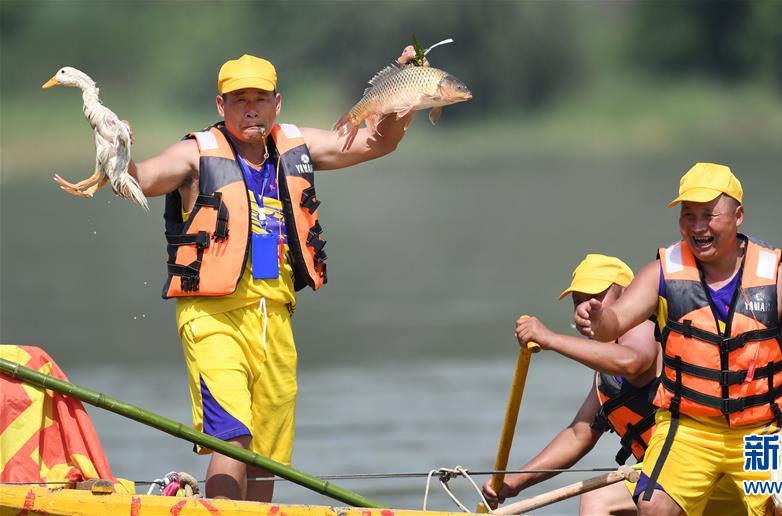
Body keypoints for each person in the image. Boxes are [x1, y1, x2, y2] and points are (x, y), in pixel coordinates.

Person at [125, 49, 424, 501]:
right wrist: (117, 150)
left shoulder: (295, 145)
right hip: (214, 317)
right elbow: (141, 178)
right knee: (232, 437)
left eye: (260, 99)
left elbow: (376, 143)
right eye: (239, 99)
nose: (251, 109)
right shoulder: (196, 154)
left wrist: (404, 94)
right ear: (221, 105)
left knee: (267, 456)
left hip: (275, 319)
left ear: (277, 103)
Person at [574, 163, 782, 515]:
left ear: (738, 216)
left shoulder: (777, 278)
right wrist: (598, 320)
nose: (697, 227)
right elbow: (614, 322)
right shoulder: (661, 273)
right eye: (688, 215)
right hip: (688, 431)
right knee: (653, 505)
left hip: (765, 431)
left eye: (708, 215)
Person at [482, 255, 743, 515]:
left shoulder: (644, 326)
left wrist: (549, 339)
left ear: (627, 294)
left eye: (596, 296)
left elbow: (632, 361)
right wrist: (514, 482)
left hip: (707, 470)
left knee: (598, 499)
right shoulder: (606, 374)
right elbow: (578, 435)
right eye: (578, 301)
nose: (586, 308)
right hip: (667, 482)